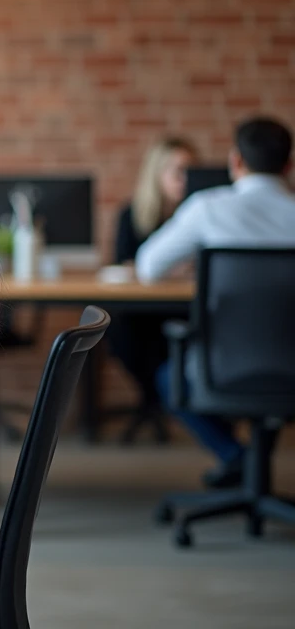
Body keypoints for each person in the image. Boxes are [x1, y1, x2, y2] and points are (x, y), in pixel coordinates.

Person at [140, 117, 295, 487]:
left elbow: (148, 267)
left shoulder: (208, 208)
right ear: (289, 166)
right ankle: (253, 466)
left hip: (223, 366)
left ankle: (236, 455)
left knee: (167, 377)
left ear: (235, 161)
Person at [107, 137, 198, 443]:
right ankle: (156, 396)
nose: (185, 180)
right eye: (178, 171)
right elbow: (125, 265)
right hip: (141, 311)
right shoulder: (131, 215)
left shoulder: (199, 215)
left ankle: (159, 396)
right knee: (115, 326)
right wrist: (175, 270)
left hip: (184, 308)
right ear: (156, 173)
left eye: (191, 172)